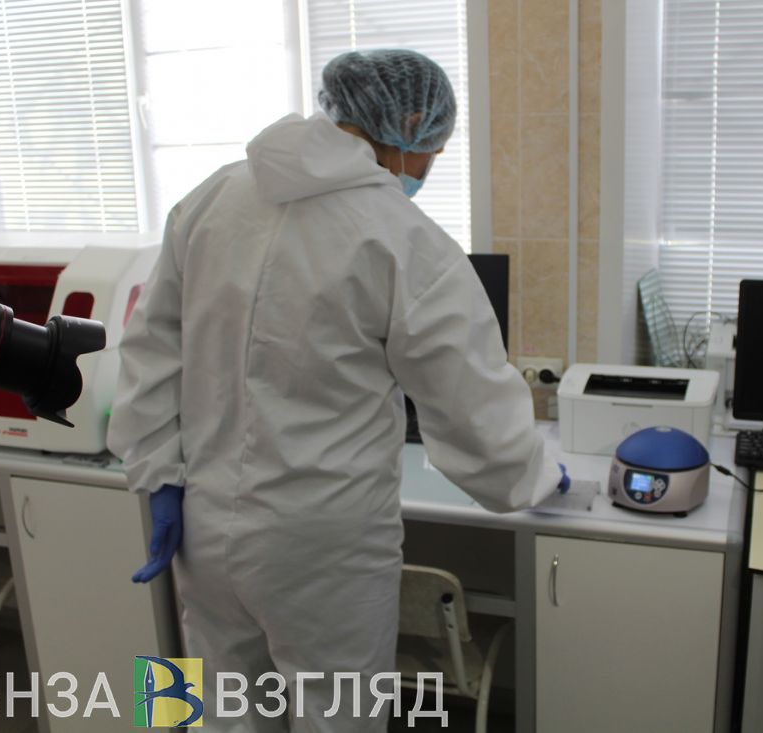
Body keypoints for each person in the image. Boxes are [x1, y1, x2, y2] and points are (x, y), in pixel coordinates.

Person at [107, 49, 566, 732]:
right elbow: (470, 406)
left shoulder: (212, 197)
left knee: (220, 711)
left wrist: (155, 472)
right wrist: (537, 474)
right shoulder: (402, 237)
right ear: (409, 125)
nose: (428, 165)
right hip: (322, 549)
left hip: (204, 528)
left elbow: (150, 349)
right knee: (337, 717)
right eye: (434, 149)